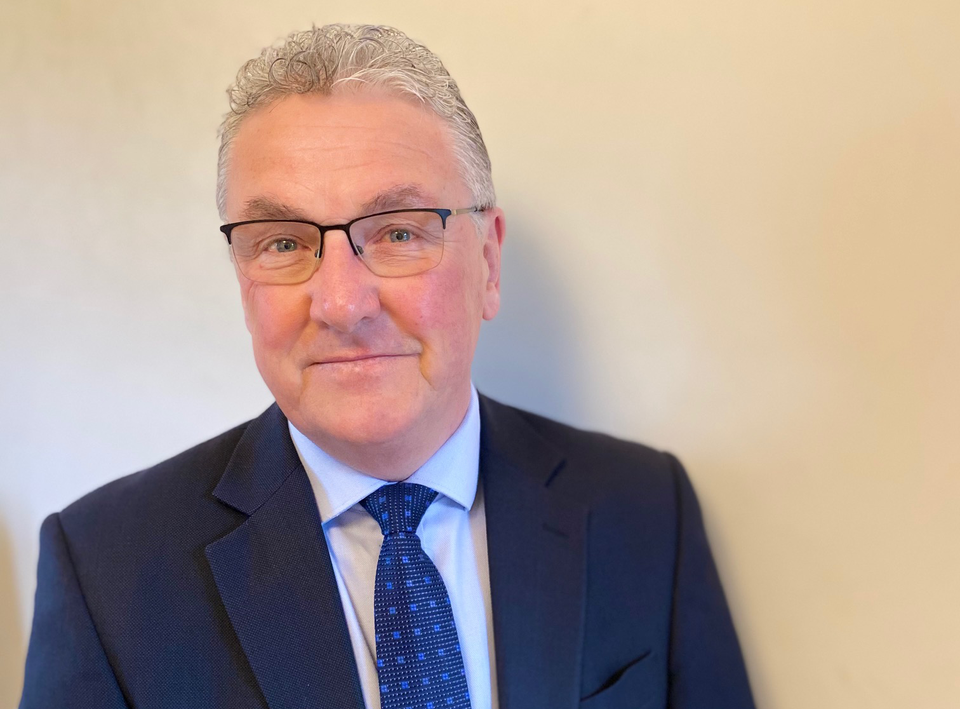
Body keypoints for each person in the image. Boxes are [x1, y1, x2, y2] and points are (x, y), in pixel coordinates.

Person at [19, 24, 755, 709]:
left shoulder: (645, 508)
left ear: (489, 262)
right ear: (242, 278)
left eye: (399, 232)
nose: (342, 304)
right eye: (283, 243)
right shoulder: (103, 573)